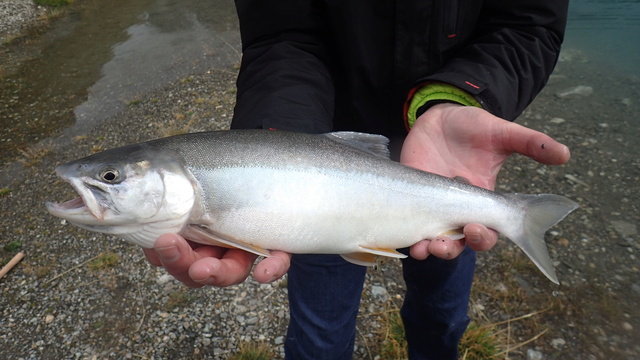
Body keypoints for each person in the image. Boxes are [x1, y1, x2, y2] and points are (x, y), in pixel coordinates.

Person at [144, 1, 571, 359]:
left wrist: (458, 97)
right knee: (320, 331)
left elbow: (527, 25)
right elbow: (282, 36)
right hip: (315, 157)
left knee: (442, 312)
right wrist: (276, 145)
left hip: (446, 152)